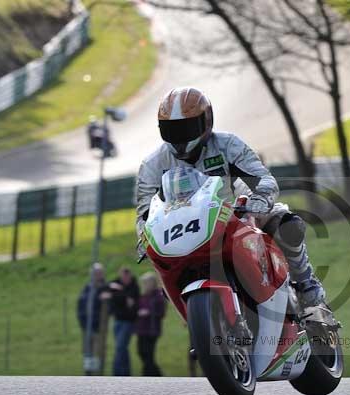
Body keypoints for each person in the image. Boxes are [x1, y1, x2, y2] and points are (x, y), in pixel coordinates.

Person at [135, 86, 326, 309]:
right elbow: (145, 214)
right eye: (172, 130)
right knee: (165, 283)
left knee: (287, 224)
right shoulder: (153, 164)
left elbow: (261, 177)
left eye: (186, 127)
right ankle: (204, 332)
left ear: (206, 121)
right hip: (180, 236)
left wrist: (260, 198)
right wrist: (143, 238)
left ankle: (305, 282)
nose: (179, 137)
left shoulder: (227, 145)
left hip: (233, 217)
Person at [77, 263, 112, 367]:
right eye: (95, 273)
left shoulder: (106, 287)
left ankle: (98, 375)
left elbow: (108, 306)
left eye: (99, 273)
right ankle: (88, 373)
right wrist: (82, 321)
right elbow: (81, 304)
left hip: (99, 326)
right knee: (88, 351)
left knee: (98, 352)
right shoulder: (87, 288)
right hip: (86, 325)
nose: (98, 275)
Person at [108, 266, 140, 376]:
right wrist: (124, 297)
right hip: (117, 320)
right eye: (123, 277)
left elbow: (133, 304)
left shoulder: (134, 286)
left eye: (127, 277)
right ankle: (125, 372)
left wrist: (119, 293)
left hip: (128, 321)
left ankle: (117, 373)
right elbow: (108, 293)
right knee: (122, 347)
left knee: (120, 346)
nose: (125, 279)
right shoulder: (114, 283)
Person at [135, 272, 166, 376]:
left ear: (152, 283)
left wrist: (149, 312)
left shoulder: (158, 296)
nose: (145, 285)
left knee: (148, 354)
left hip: (152, 330)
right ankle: (156, 374)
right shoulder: (143, 296)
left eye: (146, 283)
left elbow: (161, 312)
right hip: (141, 329)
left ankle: (147, 375)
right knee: (141, 352)